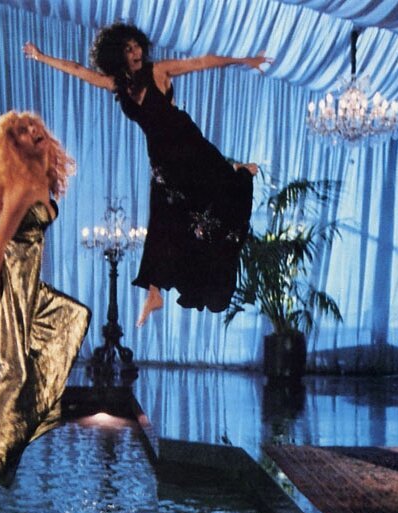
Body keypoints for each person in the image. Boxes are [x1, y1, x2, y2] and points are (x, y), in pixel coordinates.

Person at [24, 23, 271, 326]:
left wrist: (245, 61)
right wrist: (41, 57)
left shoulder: (159, 71)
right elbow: (78, 70)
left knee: (215, 192)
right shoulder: (117, 84)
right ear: (118, 55)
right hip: (162, 159)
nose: (136, 52)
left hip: (187, 144)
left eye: (137, 46)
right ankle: (154, 293)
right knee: (163, 220)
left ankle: (237, 171)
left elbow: (202, 62)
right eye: (128, 49)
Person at [0, 111, 90, 510]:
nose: (33, 132)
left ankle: (18, 430)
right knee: (14, 371)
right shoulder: (20, 186)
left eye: (34, 126)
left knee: (72, 317)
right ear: (13, 145)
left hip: (26, 281)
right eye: (22, 131)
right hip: (4, 278)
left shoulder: (41, 177)